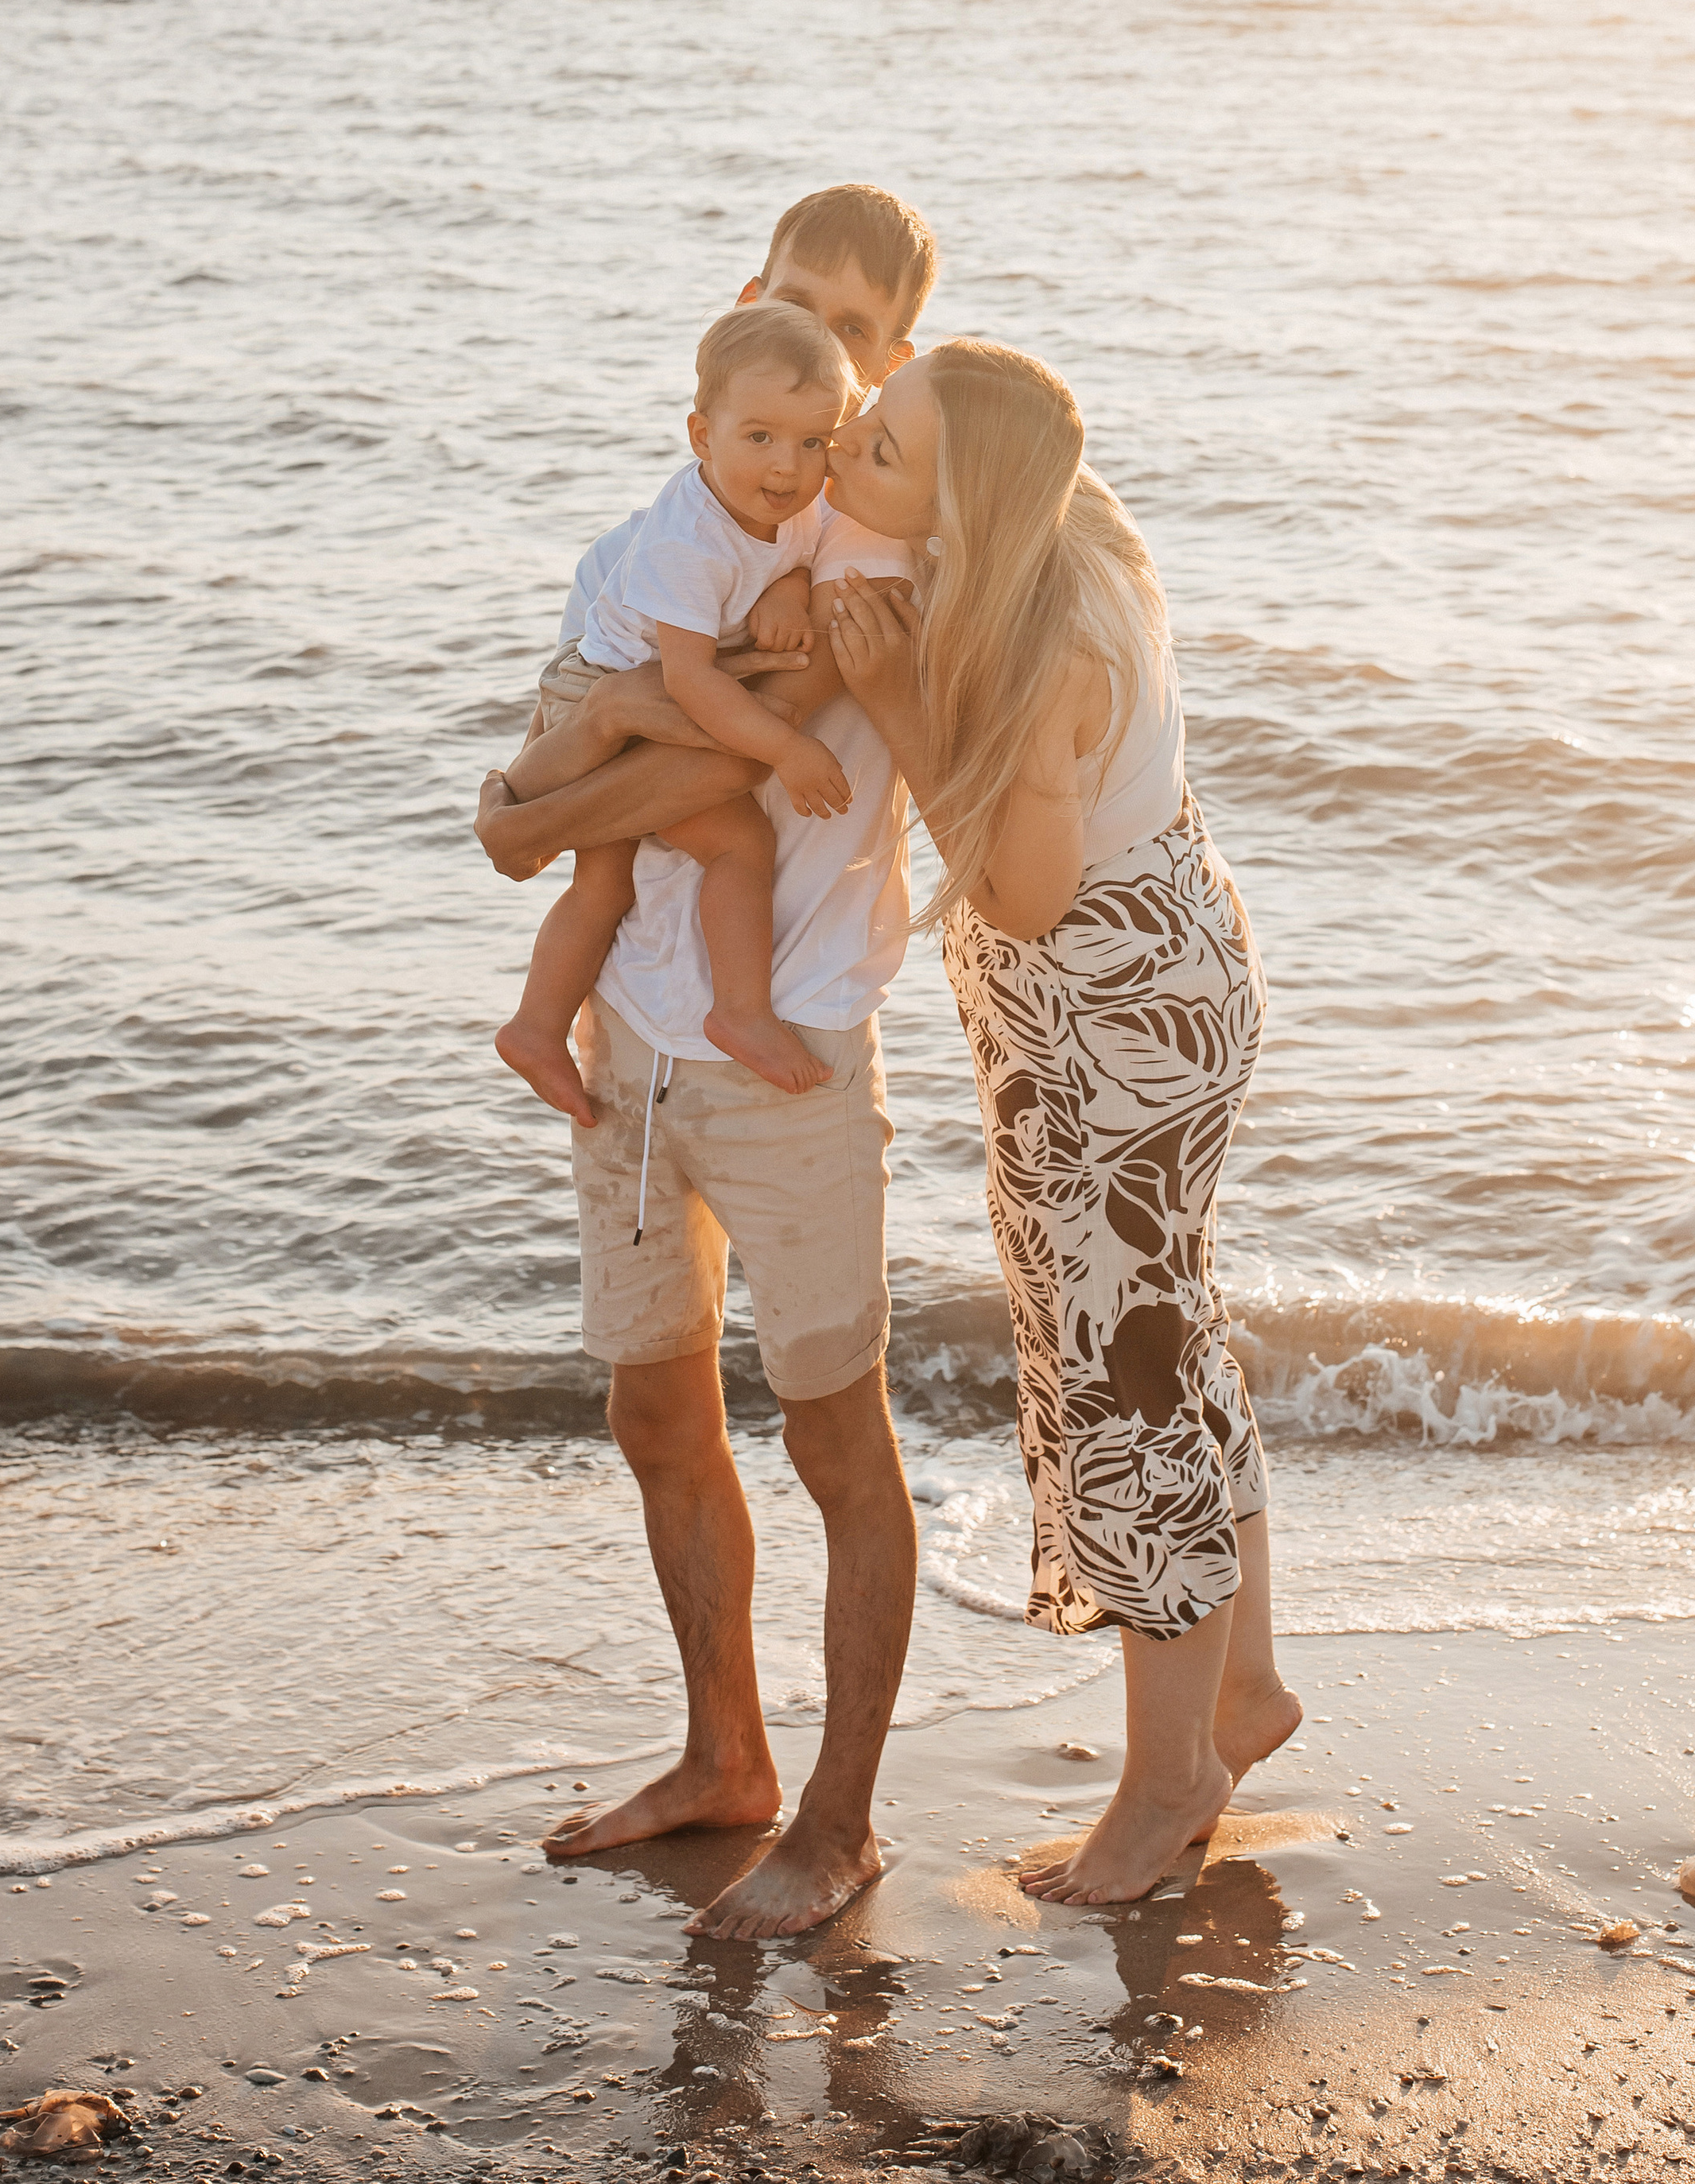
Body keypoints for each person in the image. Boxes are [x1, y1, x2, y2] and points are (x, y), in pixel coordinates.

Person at [472, 184, 938, 1940]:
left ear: (884, 373)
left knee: (837, 1441)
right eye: (785, 305)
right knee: (655, 1403)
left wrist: (564, 775)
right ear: (742, 315)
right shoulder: (660, 545)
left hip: (789, 1046)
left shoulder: (859, 571)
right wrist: (560, 777)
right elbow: (535, 801)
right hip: (633, 1044)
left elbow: (620, 795)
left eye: (848, 334)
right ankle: (723, 1760)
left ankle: (838, 1823)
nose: (812, 354)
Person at [824, 340, 1301, 1906]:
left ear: (969, 497)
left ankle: (1167, 1789)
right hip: (1157, 977)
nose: (845, 453)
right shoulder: (1055, 517)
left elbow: (1021, 891)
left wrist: (893, 695)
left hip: (1110, 1029)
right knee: (1169, 1338)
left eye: (879, 450)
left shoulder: (1047, 642)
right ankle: (1236, 1690)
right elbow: (947, 402)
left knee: (1126, 1384)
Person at [494, 301, 858, 1112]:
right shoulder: (685, 542)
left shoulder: (790, 506)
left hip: (648, 683)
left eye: (812, 442)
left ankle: (534, 1025)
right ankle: (739, 1010)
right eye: (758, 436)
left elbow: (791, 550)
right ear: (701, 436)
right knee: (736, 844)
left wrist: (794, 585)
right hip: (602, 695)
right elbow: (692, 682)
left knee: (605, 886)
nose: (787, 468)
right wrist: (786, 751)